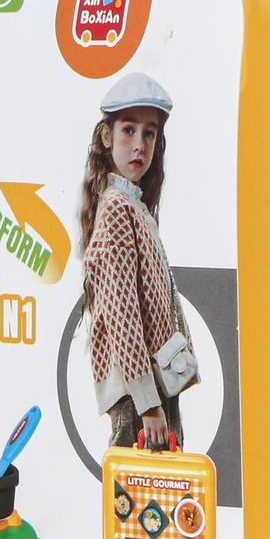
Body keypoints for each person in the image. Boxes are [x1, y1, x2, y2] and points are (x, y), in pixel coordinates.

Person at [80, 72, 198, 449]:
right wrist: (148, 403)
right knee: (134, 485)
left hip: (152, 383)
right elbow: (122, 313)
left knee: (154, 486)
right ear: (107, 136)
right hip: (138, 393)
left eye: (149, 134)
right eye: (128, 130)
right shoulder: (117, 209)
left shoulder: (134, 206)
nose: (138, 146)